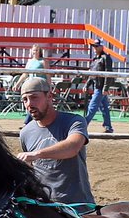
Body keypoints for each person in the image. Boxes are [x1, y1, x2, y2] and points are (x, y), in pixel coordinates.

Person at [17, 75, 95, 205]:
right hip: (45, 207)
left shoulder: (74, 121)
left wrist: (37, 154)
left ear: (49, 97)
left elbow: (73, 147)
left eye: (34, 97)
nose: (29, 104)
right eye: (25, 100)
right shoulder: (25, 133)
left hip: (78, 206)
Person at [84, 40, 115, 134]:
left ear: (101, 47)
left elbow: (108, 73)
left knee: (92, 107)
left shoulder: (105, 58)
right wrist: (87, 84)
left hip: (100, 87)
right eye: (94, 46)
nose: (95, 48)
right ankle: (108, 126)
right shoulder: (96, 59)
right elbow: (92, 74)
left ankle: (83, 125)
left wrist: (105, 88)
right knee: (104, 107)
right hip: (97, 86)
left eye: (96, 46)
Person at [21, 44, 48, 125]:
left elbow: (48, 75)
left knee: (36, 104)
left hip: (40, 86)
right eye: (33, 50)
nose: (35, 52)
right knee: (31, 103)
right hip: (30, 86)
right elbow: (25, 74)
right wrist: (18, 84)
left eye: (36, 50)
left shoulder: (43, 61)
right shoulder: (29, 62)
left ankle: (28, 122)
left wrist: (49, 86)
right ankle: (28, 122)